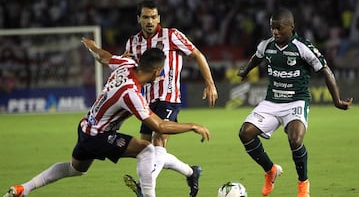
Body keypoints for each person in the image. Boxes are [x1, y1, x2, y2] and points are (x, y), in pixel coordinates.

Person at [3, 39, 211, 197]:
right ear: (156, 70)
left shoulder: (125, 64)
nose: (162, 74)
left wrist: (91, 46)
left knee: (75, 169)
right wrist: (192, 126)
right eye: (162, 70)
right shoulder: (131, 94)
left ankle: (24, 188)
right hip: (99, 136)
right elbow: (160, 126)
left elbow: (103, 56)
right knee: (148, 150)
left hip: (86, 127)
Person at [237, 8, 353, 197]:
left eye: (279, 28)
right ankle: (270, 170)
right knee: (245, 133)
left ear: (291, 27)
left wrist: (337, 100)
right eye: (272, 28)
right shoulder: (266, 45)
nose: (275, 32)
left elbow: (325, 70)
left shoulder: (302, 47)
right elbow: (256, 58)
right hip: (272, 101)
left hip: (296, 101)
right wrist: (245, 71)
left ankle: (303, 184)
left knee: (295, 139)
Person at [122, 0, 218, 197]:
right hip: (146, 102)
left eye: (154, 17)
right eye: (146, 17)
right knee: (147, 150)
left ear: (159, 18)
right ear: (138, 18)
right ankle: (191, 172)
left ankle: (145, 188)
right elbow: (130, 69)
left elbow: (197, 54)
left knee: (158, 142)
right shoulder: (133, 42)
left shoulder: (171, 36)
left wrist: (209, 83)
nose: (150, 21)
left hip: (169, 98)